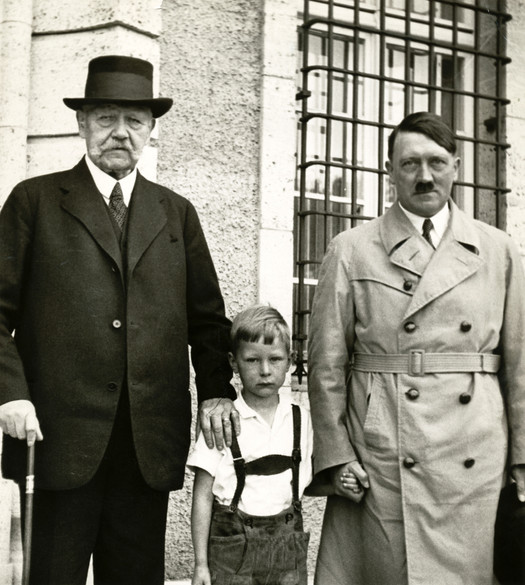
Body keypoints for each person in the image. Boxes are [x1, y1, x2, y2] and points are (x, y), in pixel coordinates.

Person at [0, 55, 240, 585]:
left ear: (151, 129)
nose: (121, 133)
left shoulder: (176, 213)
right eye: (107, 118)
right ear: (82, 123)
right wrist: (10, 393)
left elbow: (207, 320)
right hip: (56, 439)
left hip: (145, 446)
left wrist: (217, 391)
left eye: (134, 120)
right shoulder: (34, 201)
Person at [308, 111, 525, 585]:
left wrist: (523, 456)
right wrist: (336, 454)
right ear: (390, 170)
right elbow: (326, 365)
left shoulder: (499, 250)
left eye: (436, 162)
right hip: (384, 446)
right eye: (409, 164)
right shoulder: (351, 249)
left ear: (456, 167)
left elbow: (521, 366)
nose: (424, 176)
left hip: (475, 447)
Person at [188, 305, 320, 585]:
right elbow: (202, 497)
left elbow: (315, 478)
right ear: (233, 362)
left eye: (275, 359)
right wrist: (200, 564)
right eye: (252, 360)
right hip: (232, 555)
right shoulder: (223, 421)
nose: (265, 371)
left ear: (291, 361)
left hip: (287, 552)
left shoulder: (300, 419)